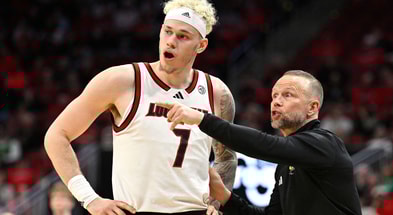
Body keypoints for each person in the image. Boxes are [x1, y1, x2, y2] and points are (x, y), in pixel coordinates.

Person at [44, 0, 238, 214]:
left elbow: (226, 157)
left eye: (182, 36)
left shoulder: (217, 92)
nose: (171, 42)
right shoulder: (122, 80)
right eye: (167, 32)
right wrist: (90, 199)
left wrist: (217, 202)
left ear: (201, 45)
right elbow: (56, 136)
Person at [158, 70, 362, 215]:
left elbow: (265, 145)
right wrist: (226, 198)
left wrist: (203, 119)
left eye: (287, 95)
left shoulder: (325, 143)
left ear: (312, 107)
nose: (277, 101)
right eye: (274, 95)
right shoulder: (284, 165)